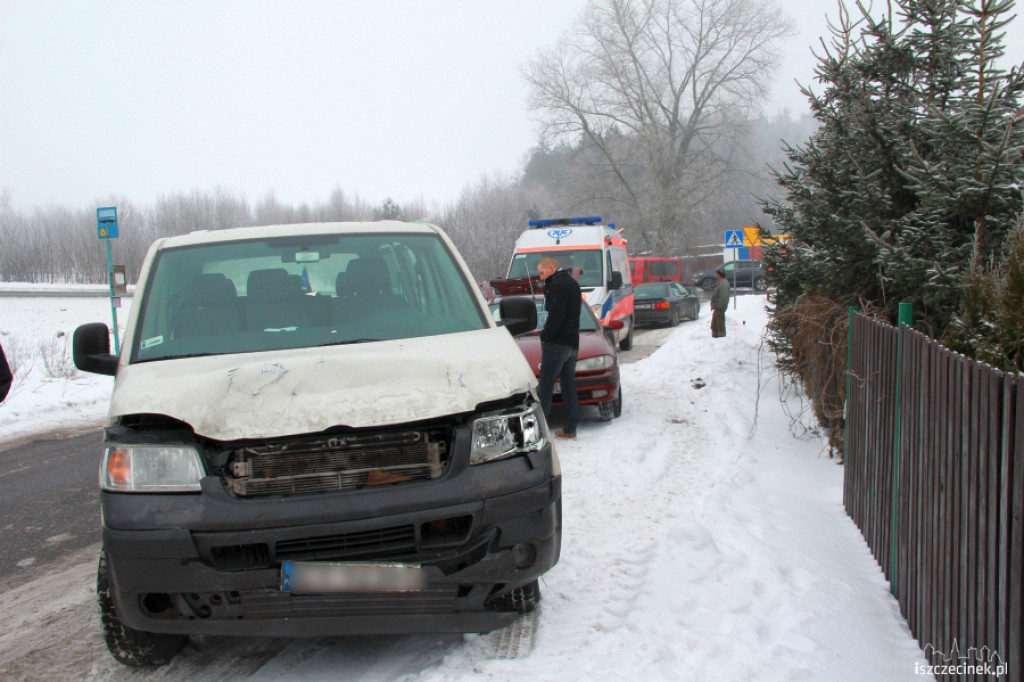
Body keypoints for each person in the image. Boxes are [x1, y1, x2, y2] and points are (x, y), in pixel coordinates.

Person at [536, 256, 581, 439]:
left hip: (557, 344)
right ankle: (570, 429)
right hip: (572, 344)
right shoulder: (572, 283)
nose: (540, 277)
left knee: (545, 388)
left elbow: (556, 316)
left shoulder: (557, 286)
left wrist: (545, 335)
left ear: (551, 268)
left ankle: (541, 433)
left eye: (541, 272)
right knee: (569, 386)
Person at [710, 268, 730, 338]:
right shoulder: (721, 283)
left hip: (719, 308)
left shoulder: (723, 284)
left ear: (719, 275)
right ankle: (715, 339)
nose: (716, 275)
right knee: (714, 326)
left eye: (717, 274)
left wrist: (719, 306)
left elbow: (724, 297)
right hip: (717, 308)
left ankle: (721, 340)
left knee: (720, 325)